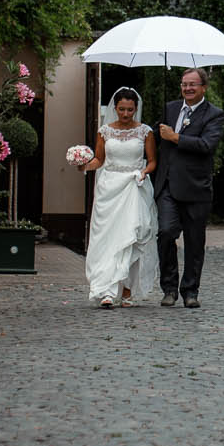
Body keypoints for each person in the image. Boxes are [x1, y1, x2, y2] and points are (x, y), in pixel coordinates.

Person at [74, 87, 160, 308]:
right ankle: (106, 291)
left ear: (136, 109)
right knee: (108, 239)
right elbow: (99, 159)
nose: (125, 114)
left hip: (133, 185)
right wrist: (84, 165)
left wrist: (144, 172)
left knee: (132, 236)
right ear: (115, 108)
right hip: (109, 187)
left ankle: (128, 292)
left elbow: (152, 161)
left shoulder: (145, 132)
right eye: (121, 109)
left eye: (130, 110)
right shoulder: (105, 131)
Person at [154, 67, 224, 308]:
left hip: (196, 189)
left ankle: (190, 290)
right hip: (167, 187)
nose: (188, 88)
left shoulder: (214, 115)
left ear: (203, 87)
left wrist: (175, 138)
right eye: (184, 84)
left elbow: (207, 145)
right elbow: (154, 139)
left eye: (193, 84)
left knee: (195, 242)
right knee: (165, 234)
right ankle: (169, 288)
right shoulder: (170, 108)